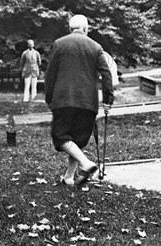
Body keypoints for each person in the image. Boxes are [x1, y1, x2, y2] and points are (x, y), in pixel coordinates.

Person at [45, 14, 115, 186]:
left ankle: (86, 164)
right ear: (85, 28)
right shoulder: (96, 47)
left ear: (70, 29)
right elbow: (106, 74)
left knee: (61, 137)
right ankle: (69, 177)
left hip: (64, 99)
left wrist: (49, 98)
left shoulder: (59, 44)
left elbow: (50, 75)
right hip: (88, 103)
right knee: (77, 139)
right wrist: (108, 99)